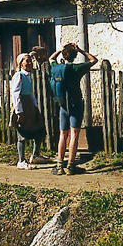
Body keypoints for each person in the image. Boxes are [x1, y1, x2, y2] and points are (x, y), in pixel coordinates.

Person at [49, 43, 98, 175]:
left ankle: (59, 165)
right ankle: (71, 166)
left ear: (63, 56)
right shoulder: (77, 68)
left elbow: (51, 59)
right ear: (75, 56)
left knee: (63, 134)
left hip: (63, 105)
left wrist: (60, 49)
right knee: (74, 134)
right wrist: (81, 50)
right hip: (75, 104)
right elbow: (94, 60)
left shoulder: (56, 67)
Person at [10, 53, 45, 169]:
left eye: (30, 61)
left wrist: (35, 107)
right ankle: (21, 161)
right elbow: (15, 94)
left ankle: (35, 155)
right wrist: (19, 112)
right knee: (22, 133)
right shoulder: (19, 75)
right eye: (27, 61)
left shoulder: (28, 76)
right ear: (21, 64)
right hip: (22, 105)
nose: (29, 63)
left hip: (30, 105)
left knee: (39, 129)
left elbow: (31, 93)